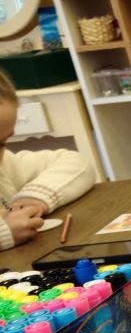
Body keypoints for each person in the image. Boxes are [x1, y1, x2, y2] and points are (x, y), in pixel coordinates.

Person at [0, 70, 93, 250]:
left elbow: (76, 162)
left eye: (2, 143)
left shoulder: (6, 166)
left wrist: (34, 198)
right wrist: (4, 232)